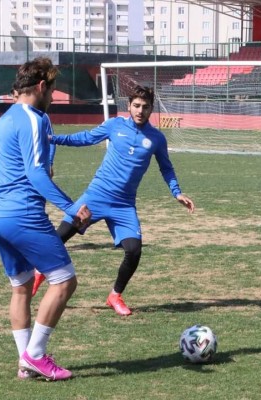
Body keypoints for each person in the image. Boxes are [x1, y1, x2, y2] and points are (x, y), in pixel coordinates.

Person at [32, 85, 195, 316]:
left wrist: (176, 192)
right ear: (129, 105)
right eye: (136, 106)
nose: (140, 111)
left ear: (151, 109)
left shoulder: (157, 138)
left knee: (134, 250)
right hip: (95, 197)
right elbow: (85, 138)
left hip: (124, 205)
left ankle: (115, 295)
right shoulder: (114, 125)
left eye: (145, 107)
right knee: (60, 237)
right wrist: (54, 139)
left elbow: (166, 168)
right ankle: (39, 271)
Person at [0, 57, 92, 380]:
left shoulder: (4, 119)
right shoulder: (33, 119)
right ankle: (35, 355)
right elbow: (35, 174)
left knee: (21, 287)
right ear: (42, 86)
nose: (53, 97)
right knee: (64, 281)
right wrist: (72, 208)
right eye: (53, 90)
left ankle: (25, 363)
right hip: (24, 216)